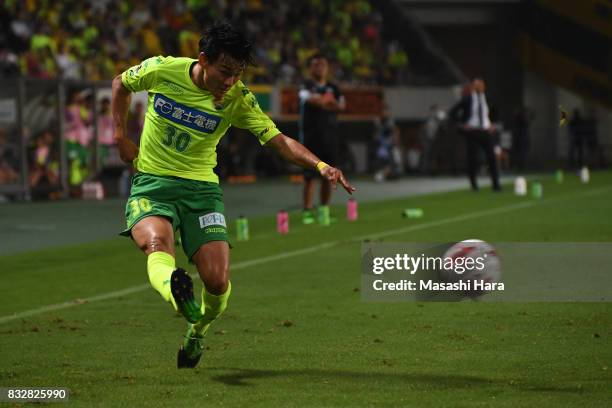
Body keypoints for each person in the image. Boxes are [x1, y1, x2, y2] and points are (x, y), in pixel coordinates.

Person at [112, 22, 355, 369]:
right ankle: (176, 291)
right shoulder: (163, 70)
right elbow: (120, 83)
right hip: (153, 182)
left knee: (217, 280)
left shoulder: (238, 98)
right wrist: (120, 136)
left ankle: (198, 329)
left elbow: (278, 140)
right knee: (156, 245)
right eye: (225, 72)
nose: (230, 81)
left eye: (237, 74)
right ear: (203, 60)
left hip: (202, 192)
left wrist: (320, 166)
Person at [298, 53, 346, 224]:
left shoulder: (334, 86)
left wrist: (324, 101)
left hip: (330, 137)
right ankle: (307, 211)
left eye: (322, 65)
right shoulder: (306, 85)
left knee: (329, 173)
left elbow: (341, 106)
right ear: (311, 68)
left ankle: (324, 210)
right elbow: (312, 101)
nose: (320, 68)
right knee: (309, 176)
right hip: (311, 137)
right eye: (316, 65)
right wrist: (327, 101)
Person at [449, 78, 501, 192]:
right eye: (476, 85)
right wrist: (461, 125)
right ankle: (474, 184)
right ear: (472, 87)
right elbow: (452, 112)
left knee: (492, 157)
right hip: (473, 131)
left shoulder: (487, 98)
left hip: (486, 130)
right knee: (473, 159)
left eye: (480, 85)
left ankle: (496, 184)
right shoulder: (467, 100)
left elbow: (496, 113)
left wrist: (493, 125)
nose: (478, 88)